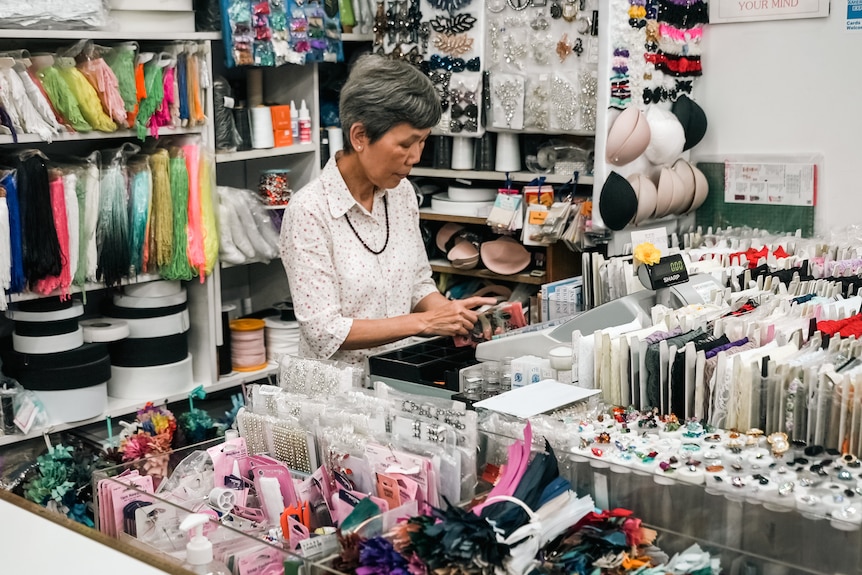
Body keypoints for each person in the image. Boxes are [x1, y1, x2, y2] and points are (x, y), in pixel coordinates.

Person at [280, 54, 496, 367]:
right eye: (406, 144)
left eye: (423, 141)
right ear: (359, 136)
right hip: (333, 400)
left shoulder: (401, 195)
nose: (416, 156)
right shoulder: (310, 211)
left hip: (397, 376)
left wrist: (453, 315)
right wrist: (424, 323)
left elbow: (419, 285)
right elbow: (323, 331)